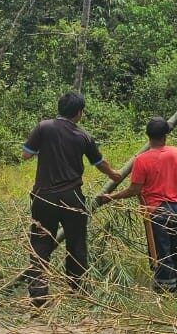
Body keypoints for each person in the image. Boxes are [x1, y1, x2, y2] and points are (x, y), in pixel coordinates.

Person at [21, 92, 121, 308]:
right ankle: (78, 289)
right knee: (76, 243)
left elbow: (26, 154)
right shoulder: (83, 136)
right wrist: (114, 175)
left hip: (43, 196)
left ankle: (38, 292)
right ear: (79, 112)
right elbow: (100, 163)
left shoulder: (43, 127)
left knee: (40, 241)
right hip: (72, 198)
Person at [99, 117, 177, 293]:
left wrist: (111, 197)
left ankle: (166, 291)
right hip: (176, 208)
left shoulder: (142, 160)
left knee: (163, 252)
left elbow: (134, 189)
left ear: (148, 135)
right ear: (166, 135)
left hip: (156, 210)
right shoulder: (175, 153)